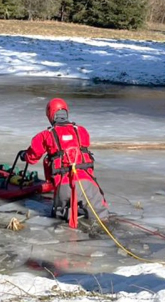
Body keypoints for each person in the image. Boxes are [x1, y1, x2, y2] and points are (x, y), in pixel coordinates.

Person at [18, 98, 109, 229]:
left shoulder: (45, 135)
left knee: (61, 220)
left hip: (64, 185)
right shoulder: (81, 131)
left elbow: (32, 156)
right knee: (102, 218)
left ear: (50, 114)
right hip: (87, 183)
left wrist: (24, 155)